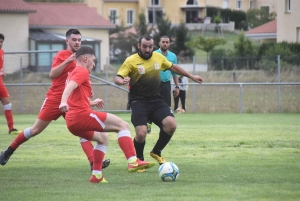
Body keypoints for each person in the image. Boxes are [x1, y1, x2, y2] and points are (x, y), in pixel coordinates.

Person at [0, 29, 110, 170]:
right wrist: (66, 61)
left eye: (79, 40)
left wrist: (88, 91)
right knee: (35, 130)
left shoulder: (83, 58)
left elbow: (81, 79)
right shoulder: (62, 55)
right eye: (74, 39)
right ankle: (8, 151)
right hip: (55, 99)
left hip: (72, 102)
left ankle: (93, 162)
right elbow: (52, 74)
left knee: (84, 129)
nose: (77, 42)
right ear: (67, 41)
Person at [59, 46, 155, 183]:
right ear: (86, 59)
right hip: (81, 116)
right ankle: (133, 161)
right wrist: (62, 102)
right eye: (93, 60)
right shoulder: (81, 71)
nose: (94, 64)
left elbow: (74, 98)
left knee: (103, 138)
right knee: (123, 125)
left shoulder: (72, 73)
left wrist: (91, 102)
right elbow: (69, 89)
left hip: (72, 121)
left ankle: (96, 175)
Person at [114, 34, 202, 170]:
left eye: (150, 46)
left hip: (156, 100)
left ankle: (156, 151)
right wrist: (122, 81)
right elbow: (117, 78)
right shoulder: (131, 60)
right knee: (141, 133)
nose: (147, 49)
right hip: (138, 102)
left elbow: (174, 68)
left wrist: (191, 76)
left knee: (171, 124)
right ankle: (139, 159)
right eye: (144, 46)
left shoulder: (158, 57)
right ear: (139, 46)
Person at [147, 35, 180, 134]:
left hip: (166, 84)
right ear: (159, 43)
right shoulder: (154, 54)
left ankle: (164, 126)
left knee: (165, 106)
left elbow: (175, 73)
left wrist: (177, 86)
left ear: (169, 44)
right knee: (151, 104)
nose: (165, 44)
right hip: (154, 84)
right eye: (163, 42)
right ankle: (148, 124)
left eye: (167, 42)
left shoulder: (173, 56)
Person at [0, 33, 21, 135]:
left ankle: (11, 128)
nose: (0, 43)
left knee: (8, 105)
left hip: (0, 83)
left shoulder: (2, 52)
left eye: (1, 41)